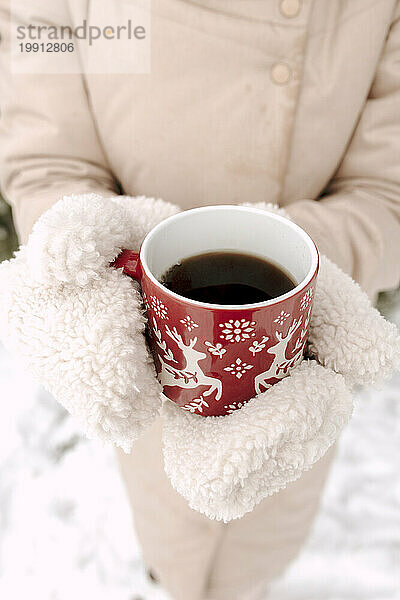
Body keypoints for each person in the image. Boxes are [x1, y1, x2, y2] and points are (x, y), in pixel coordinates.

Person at [0, 1, 399, 599]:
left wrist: (315, 259)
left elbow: (387, 190)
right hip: (147, 338)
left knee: (268, 516)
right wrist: (82, 241)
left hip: (293, 352)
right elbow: (46, 155)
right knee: (167, 516)